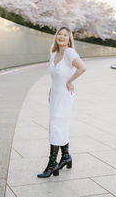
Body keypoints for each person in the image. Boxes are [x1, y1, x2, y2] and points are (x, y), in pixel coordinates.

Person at [37, 27, 86, 178]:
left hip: (65, 95)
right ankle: (66, 156)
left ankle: (52, 164)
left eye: (66, 35)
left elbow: (82, 67)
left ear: (69, 39)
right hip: (55, 94)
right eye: (60, 34)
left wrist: (70, 81)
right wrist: (51, 90)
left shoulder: (69, 53)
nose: (62, 37)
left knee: (56, 126)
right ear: (56, 36)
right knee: (58, 126)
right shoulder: (53, 54)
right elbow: (55, 76)